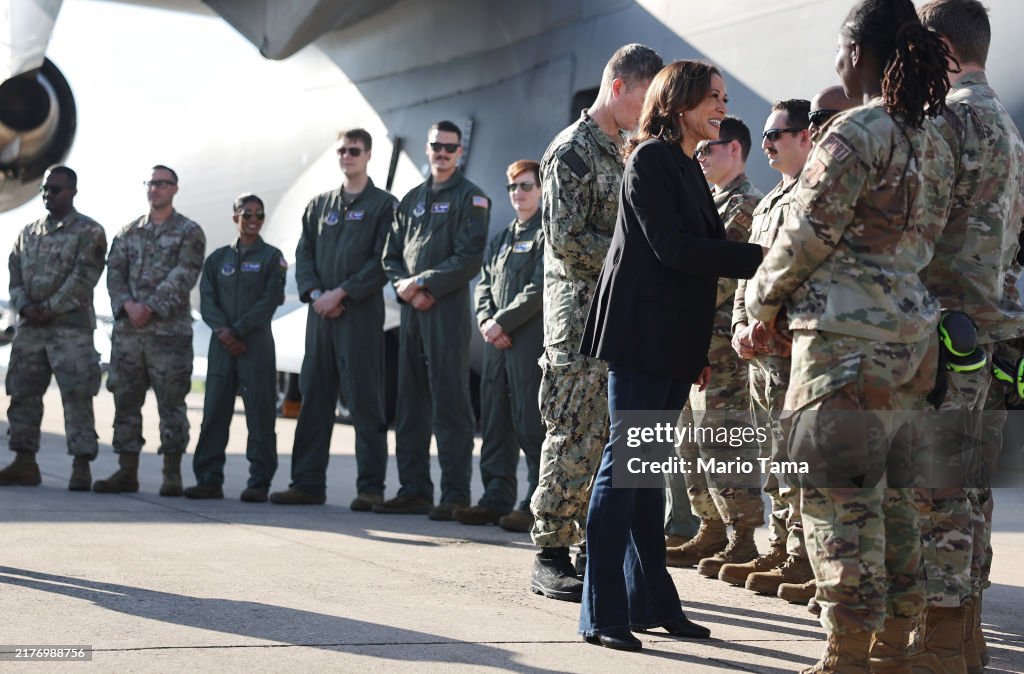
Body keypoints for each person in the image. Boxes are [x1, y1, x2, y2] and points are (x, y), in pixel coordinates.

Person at [745, 0, 954, 668]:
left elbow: (805, 233)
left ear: (858, 52)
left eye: (841, 49)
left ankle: (846, 653)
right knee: (894, 500)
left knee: (838, 505)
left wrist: (759, 302)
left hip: (843, 345)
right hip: (910, 347)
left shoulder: (854, 133)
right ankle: (893, 643)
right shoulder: (935, 138)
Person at [578, 59, 764, 651]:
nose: (722, 108)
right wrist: (761, 257)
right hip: (640, 338)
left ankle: (651, 602)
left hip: (669, 344)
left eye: (724, 97)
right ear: (679, 102)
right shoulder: (653, 160)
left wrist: (693, 354)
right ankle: (602, 611)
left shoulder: (685, 167)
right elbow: (676, 250)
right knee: (623, 472)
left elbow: (692, 266)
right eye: (713, 98)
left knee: (645, 475)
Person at [530, 43, 663, 603]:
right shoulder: (573, 151)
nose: (649, 109)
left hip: (616, 312)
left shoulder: (625, 148)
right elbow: (565, 238)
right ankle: (550, 552)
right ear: (619, 88)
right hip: (578, 313)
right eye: (645, 96)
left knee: (607, 433)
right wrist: (632, 255)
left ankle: (591, 545)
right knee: (572, 428)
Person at [916, 1, 1024, 670]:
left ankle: (944, 639)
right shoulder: (1010, 131)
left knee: (939, 489)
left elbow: (916, 232)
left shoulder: (945, 122)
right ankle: (969, 633)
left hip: (945, 332)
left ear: (942, 47)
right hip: (995, 333)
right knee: (972, 485)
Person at [723, 100, 820, 601]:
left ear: (806, 136)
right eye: (764, 134)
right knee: (774, 457)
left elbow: (804, 273)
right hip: (760, 355)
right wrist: (742, 323)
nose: (767, 143)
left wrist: (765, 323)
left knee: (797, 458)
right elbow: (749, 273)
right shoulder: (769, 203)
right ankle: (782, 545)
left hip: (791, 351)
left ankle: (806, 556)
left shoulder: (816, 195)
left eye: (777, 134)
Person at [270, 129, 394, 508]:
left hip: (359, 315)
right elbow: (303, 254)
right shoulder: (319, 206)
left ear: (368, 155)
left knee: (364, 402)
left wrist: (343, 293)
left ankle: (370, 488)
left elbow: (384, 259)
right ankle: (307, 483)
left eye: (354, 150)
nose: (347, 156)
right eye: (342, 150)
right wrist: (316, 295)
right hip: (320, 316)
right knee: (314, 398)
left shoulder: (384, 205)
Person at [377, 121, 490, 519]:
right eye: (436, 146)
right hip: (411, 313)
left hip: (446, 311)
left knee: (451, 402)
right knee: (409, 402)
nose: (442, 152)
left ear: (460, 152)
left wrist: (423, 283)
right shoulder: (409, 200)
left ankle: (455, 493)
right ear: (427, 149)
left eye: (450, 147)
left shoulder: (471, 198)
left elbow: (469, 257)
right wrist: (403, 287)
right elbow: (391, 257)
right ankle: (414, 489)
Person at [666, 115, 764, 574]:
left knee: (724, 440)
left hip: (723, 344)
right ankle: (710, 527)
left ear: (735, 151)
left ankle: (743, 536)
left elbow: (721, 277)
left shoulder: (743, 206)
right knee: (691, 441)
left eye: (710, 148)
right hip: (694, 339)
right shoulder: (710, 201)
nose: (701, 155)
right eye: (699, 149)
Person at [96, 165, 206, 496]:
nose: (155, 188)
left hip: (169, 336)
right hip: (129, 334)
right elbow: (114, 273)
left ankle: (172, 473)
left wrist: (151, 307)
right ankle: (126, 470)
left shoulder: (189, 231)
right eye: (151, 183)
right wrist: (129, 306)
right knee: (125, 402)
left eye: (161, 183)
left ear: (175, 189)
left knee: (171, 404)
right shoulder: (128, 232)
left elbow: (185, 273)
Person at [0, 166, 106, 490]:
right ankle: (24, 462)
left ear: (72, 191)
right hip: (31, 330)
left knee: (77, 397)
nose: (48, 194)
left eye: (56, 189)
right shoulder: (28, 233)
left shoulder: (89, 231)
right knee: (22, 395)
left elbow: (84, 277)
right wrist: (24, 306)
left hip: (70, 331)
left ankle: (81, 466)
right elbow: (14, 274)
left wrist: (48, 308)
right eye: (45, 189)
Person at [457, 160, 545, 529]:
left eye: (526, 186)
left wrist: (500, 322)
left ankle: (534, 502)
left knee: (530, 423)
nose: (519, 194)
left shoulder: (546, 233)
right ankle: (495, 496)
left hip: (526, 339)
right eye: (513, 188)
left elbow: (539, 287)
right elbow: (484, 287)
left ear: (541, 190)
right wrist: (486, 321)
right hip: (497, 342)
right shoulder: (503, 237)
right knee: (494, 421)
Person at [184, 194, 286, 502]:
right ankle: (209, 479)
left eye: (258, 215)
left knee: (260, 414)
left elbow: (271, 300)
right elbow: (206, 299)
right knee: (214, 412)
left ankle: (259, 481)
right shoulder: (218, 259)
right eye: (247, 215)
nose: (253, 220)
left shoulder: (272, 257)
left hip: (255, 346)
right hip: (222, 347)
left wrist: (238, 331)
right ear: (235, 218)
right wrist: (224, 332)